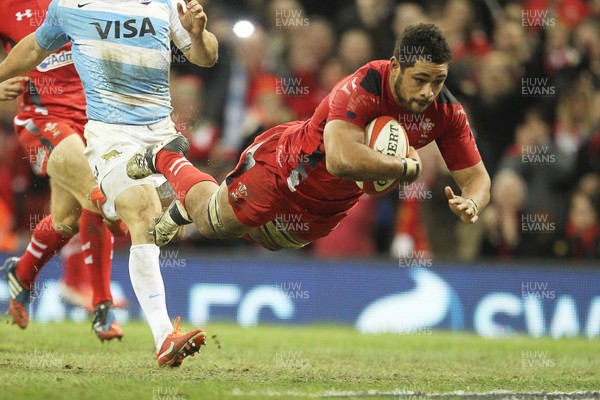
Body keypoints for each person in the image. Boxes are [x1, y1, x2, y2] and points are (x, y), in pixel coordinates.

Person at [126, 23, 491, 252]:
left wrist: (473, 201)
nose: (429, 91)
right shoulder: (363, 85)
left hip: (326, 208)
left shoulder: (446, 113)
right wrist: (403, 168)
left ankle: (178, 207)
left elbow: (476, 178)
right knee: (213, 222)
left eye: (438, 81)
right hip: (284, 170)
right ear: (396, 67)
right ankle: (165, 156)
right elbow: (340, 159)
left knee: (266, 240)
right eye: (420, 79)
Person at [0, 0, 218, 367]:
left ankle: (22, 273)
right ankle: (117, 311)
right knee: (116, 205)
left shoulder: (164, 3)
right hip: (74, 127)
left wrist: (198, 35)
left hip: (141, 128)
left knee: (68, 220)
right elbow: (34, 47)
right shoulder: (60, 7)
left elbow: (206, 57)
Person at [0, 0, 127, 342]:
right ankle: (101, 304)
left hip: (92, 122)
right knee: (95, 193)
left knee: (65, 222)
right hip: (42, 120)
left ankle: (21, 272)